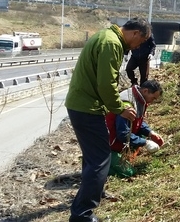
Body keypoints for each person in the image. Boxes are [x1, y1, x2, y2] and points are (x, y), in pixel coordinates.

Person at [65, 17, 151, 222]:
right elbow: (106, 84)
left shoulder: (106, 36)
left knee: (92, 158)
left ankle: (93, 196)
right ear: (135, 34)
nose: (138, 46)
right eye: (140, 42)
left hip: (82, 105)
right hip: (87, 108)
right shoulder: (111, 44)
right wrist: (119, 108)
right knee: (100, 161)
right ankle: (82, 214)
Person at [106, 80, 164, 157]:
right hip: (109, 147)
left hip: (116, 143)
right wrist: (145, 143)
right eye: (153, 98)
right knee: (127, 169)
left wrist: (150, 132)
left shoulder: (138, 99)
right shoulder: (127, 105)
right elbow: (123, 134)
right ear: (145, 91)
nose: (152, 101)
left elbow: (136, 121)